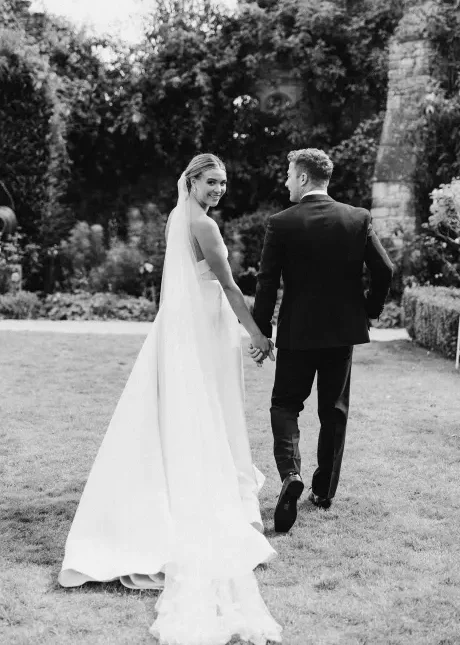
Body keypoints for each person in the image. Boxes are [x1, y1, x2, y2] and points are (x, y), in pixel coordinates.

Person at [58, 154, 282, 645]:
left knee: (174, 412)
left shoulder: (178, 217)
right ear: (192, 181)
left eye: (223, 183)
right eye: (210, 182)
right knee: (203, 410)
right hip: (198, 330)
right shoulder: (202, 225)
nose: (218, 190)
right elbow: (227, 284)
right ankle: (190, 492)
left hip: (181, 328)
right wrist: (259, 335)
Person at [249, 148, 393, 533]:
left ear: (301, 178)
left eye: (287, 174)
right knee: (334, 410)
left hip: (298, 332)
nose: (285, 181)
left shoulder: (282, 223)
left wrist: (261, 331)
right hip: (342, 332)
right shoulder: (357, 218)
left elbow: (266, 284)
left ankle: (290, 475)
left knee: (284, 405)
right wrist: (370, 308)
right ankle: (324, 491)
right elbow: (385, 269)